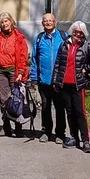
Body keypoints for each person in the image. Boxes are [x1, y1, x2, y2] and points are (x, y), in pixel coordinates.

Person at [51, 21, 90, 154]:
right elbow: (58, 64)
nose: (78, 35)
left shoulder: (86, 46)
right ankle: (74, 138)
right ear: (72, 32)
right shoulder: (64, 45)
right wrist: (55, 81)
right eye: (76, 32)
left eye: (81, 33)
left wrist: (86, 69)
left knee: (80, 113)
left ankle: (85, 140)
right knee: (70, 112)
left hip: (78, 85)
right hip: (65, 85)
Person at [29, 12, 68, 143]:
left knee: (59, 107)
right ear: (42, 23)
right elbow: (34, 60)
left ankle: (60, 133)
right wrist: (34, 79)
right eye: (45, 21)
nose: (48, 22)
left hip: (59, 81)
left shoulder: (63, 36)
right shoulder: (39, 38)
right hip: (44, 80)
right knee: (45, 107)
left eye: (50, 20)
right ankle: (46, 131)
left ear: (55, 22)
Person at [0, 12, 30, 137]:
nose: (4, 24)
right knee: (3, 100)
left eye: (6, 21)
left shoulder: (19, 37)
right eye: (2, 22)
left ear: (11, 22)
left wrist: (21, 72)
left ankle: (18, 127)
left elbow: (23, 56)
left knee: (17, 99)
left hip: (14, 71)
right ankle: (6, 126)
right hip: (1, 71)